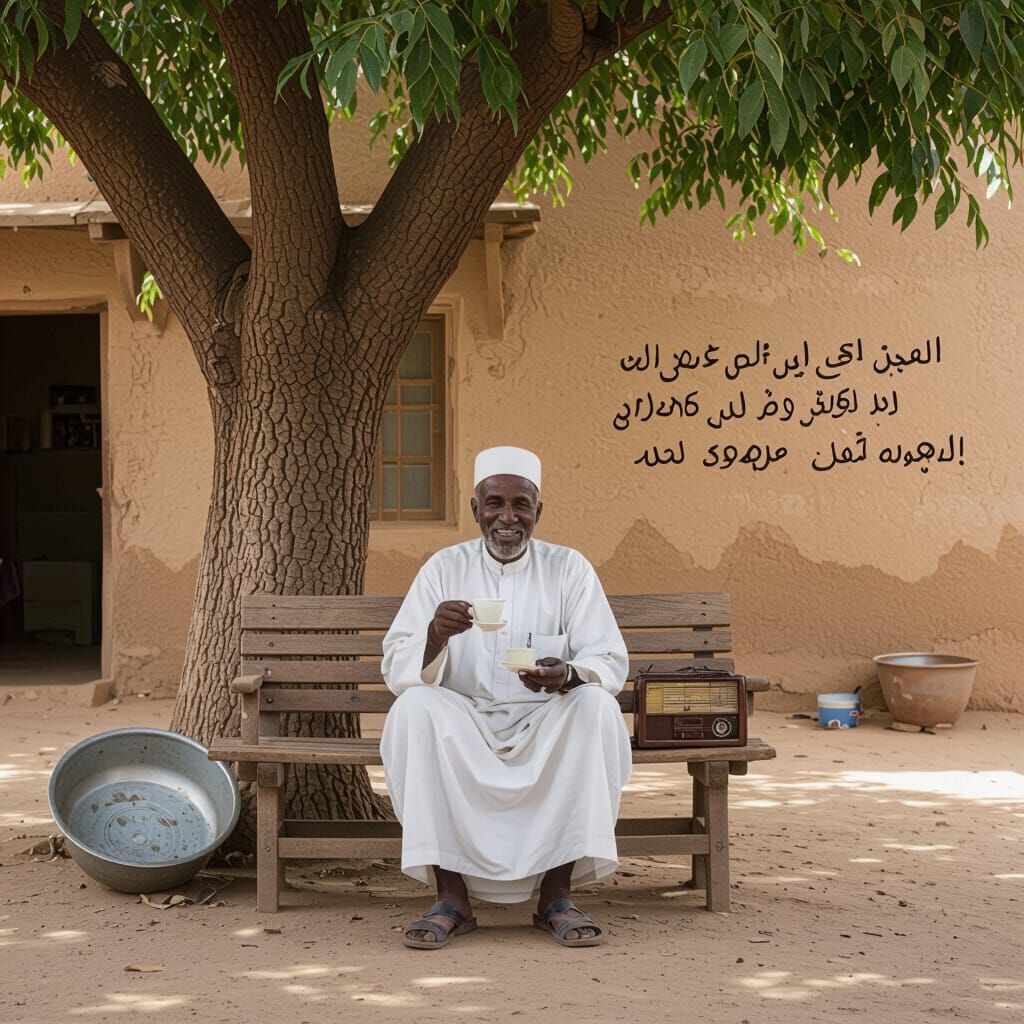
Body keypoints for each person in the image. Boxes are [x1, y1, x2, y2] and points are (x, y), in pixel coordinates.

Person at [380, 445, 633, 949]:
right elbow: (396, 667)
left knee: (596, 706)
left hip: (545, 721)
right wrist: (434, 635)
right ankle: (451, 898)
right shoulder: (443, 568)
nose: (508, 518)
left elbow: (607, 658)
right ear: (476, 509)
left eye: (521, 504)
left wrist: (567, 676)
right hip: (464, 721)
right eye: (494, 503)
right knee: (413, 708)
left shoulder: (569, 568)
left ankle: (556, 897)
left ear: (539, 510)